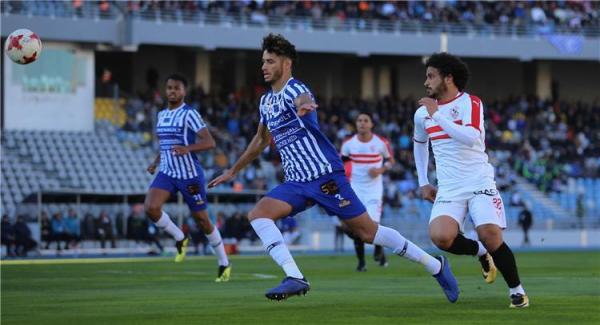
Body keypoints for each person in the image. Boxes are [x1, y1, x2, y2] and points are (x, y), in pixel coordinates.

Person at [209, 34, 459, 302]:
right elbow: (261, 139)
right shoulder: (266, 102)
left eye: (270, 61)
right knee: (258, 214)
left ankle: (436, 265)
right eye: (263, 61)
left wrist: (305, 107)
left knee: (367, 232)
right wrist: (233, 170)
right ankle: (295, 276)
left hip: (324, 176)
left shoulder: (296, 90)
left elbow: (303, 99)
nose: (264, 66)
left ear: (287, 63)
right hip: (296, 182)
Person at [413, 52, 528, 308]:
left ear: (448, 78)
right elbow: (420, 144)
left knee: (489, 233)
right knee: (441, 237)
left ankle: (517, 291)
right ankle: (480, 252)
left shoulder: (470, 103)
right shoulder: (422, 114)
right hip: (449, 187)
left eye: (431, 76)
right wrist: (423, 181)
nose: (426, 82)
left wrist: (438, 115)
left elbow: (471, 137)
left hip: (479, 183)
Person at [145, 73, 231, 282]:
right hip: (167, 171)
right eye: (169, 88)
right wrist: (156, 162)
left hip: (189, 175)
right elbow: (165, 143)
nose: (172, 91)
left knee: (202, 220)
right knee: (151, 207)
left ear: (184, 91)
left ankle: (224, 262)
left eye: (177, 88)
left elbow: (210, 142)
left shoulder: (189, 114)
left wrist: (188, 148)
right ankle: (180, 237)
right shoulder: (162, 115)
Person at [340, 111, 395, 271]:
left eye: (365, 120)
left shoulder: (381, 142)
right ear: (356, 124)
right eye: (359, 120)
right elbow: (342, 164)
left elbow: (391, 160)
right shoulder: (348, 144)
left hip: (373, 191)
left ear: (371, 124)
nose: (362, 123)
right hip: (355, 189)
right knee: (349, 227)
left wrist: (381, 170)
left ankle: (367, 258)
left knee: (373, 226)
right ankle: (366, 257)